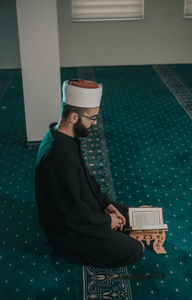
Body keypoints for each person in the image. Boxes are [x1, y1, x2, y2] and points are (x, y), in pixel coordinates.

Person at [35, 79, 143, 268]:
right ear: (74, 117)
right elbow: (72, 213)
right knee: (134, 249)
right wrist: (106, 220)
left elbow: (86, 178)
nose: (95, 123)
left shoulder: (63, 136)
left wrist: (106, 204)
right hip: (67, 229)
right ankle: (76, 251)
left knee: (130, 216)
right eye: (92, 118)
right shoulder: (58, 156)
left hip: (78, 206)